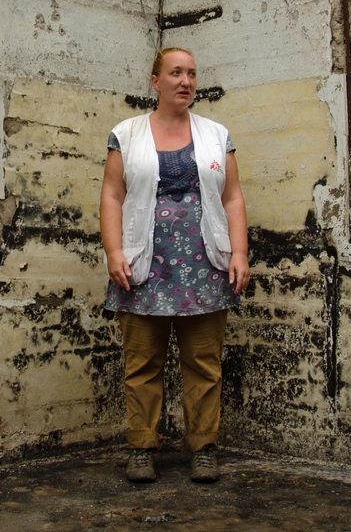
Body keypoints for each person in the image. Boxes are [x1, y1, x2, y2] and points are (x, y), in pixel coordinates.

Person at [100, 47, 250, 484]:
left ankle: (203, 447)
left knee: (204, 363)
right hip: (142, 266)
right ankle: (142, 446)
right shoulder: (125, 135)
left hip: (205, 266)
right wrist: (113, 251)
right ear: (155, 81)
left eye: (192, 74)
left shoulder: (217, 134)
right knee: (142, 363)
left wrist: (239, 252)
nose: (186, 81)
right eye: (176, 73)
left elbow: (233, 196)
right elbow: (112, 195)